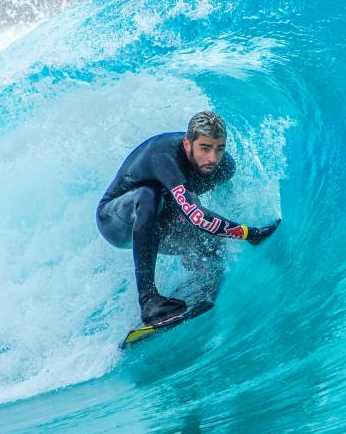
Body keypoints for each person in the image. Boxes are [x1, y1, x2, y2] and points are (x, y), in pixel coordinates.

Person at [96, 111, 280, 323]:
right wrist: (249, 233)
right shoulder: (164, 157)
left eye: (219, 148)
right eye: (204, 148)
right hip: (116, 219)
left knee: (212, 242)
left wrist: (198, 243)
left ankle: (199, 277)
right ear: (187, 144)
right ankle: (148, 300)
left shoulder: (223, 167)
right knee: (149, 195)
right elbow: (197, 216)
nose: (213, 158)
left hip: (159, 217)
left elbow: (208, 212)